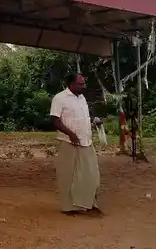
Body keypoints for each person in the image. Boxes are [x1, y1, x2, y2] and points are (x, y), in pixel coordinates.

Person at [49, 73, 103, 216]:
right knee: (68, 176)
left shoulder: (82, 98)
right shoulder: (59, 98)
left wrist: (94, 120)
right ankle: (68, 207)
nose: (83, 86)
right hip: (69, 142)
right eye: (80, 84)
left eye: (83, 83)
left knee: (91, 174)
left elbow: (82, 117)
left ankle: (89, 203)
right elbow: (55, 120)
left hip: (86, 141)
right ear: (71, 84)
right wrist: (70, 134)